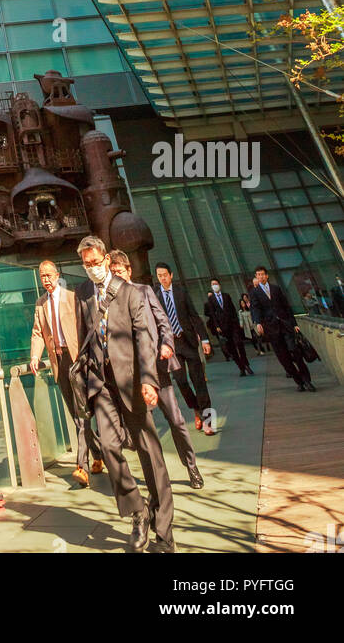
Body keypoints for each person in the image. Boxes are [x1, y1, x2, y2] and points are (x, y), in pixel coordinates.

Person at [74, 236, 175, 553]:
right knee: (108, 446)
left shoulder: (131, 292)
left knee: (150, 454)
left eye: (94, 262)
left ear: (105, 259)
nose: (91, 269)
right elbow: (85, 339)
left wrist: (148, 379)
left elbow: (145, 338)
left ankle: (165, 534)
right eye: (85, 264)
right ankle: (138, 512)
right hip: (101, 384)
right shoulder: (82, 295)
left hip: (132, 382)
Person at [109, 250, 204, 491]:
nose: (117, 276)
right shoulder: (109, 300)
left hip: (157, 368)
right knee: (145, 428)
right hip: (132, 375)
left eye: (120, 271)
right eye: (113, 273)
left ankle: (191, 465)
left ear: (129, 271)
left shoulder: (144, 291)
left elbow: (164, 322)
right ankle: (158, 478)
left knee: (176, 420)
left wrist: (166, 344)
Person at [30, 258, 104, 486]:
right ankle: (98, 453)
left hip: (76, 359)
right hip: (59, 362)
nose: (46, 280)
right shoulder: (40, 304)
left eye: (49, 275)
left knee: (84, 410)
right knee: (75, 411)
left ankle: (83, 465)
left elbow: (85, 326)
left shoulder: (72, 298)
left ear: (57, 275)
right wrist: (34, 356)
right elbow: (38, 333)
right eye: (42, 277)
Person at [154, 263, 216, 435]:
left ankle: (208, 421)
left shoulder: (181, 292)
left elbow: (194, 316)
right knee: (181, 381)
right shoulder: (156, 295)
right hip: (171, 345)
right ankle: (196, 408)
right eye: (159, 275)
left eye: (165, 274)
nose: (162, 278)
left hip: (187, 341)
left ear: (171, 275)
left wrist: (204, 339)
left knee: (199, 381)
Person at [249, 266, 315, 392]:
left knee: (295, 352)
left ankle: (307, 381)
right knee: (283, 357)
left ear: (267, 276)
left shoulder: (276, 288)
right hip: (271, 328)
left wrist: (294, 324)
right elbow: (255, 309)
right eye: (258, 275)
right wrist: (257, 322)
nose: (260, 276)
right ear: (256, 277)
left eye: (262, 274)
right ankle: (299, 382)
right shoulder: (254, 293)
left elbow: (286, 306)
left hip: (285, 325)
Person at [204, 279, 253, 376]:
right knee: (231, 348)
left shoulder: (226, 296)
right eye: (212, 284)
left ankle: (246, 363)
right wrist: (217, 326)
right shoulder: (211, 299)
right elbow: (212, 314)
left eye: (216, 284)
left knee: (239, 343)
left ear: (219, 285)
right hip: (222, 326)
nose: (214, 285)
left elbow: (232, 308)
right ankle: (241, 367)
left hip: (233, 324)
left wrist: (237, 320)